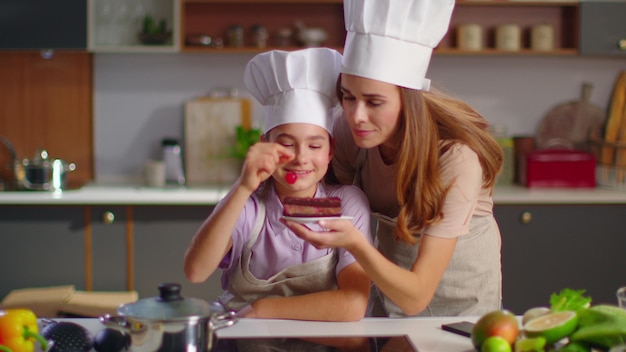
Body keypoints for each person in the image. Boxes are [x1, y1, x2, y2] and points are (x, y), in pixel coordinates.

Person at [283, 0, 504, 317]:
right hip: (390, 295)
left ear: (408, 101)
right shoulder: (350, 135)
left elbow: (417, 297)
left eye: (374, 102)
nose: (356, 116)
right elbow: (327, 203)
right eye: (348, 97)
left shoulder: (455, 160)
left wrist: (356, 243)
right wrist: (277, 187)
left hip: (462, 307)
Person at [183, 47, 372, 321]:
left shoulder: (348, 203)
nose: (300, 158)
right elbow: (196, 271)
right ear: (264, 146)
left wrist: (262, 309)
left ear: (330, 151)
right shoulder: (247, 205)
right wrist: (244, 185)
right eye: (286, 144)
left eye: (315, 145)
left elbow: (352, 306)